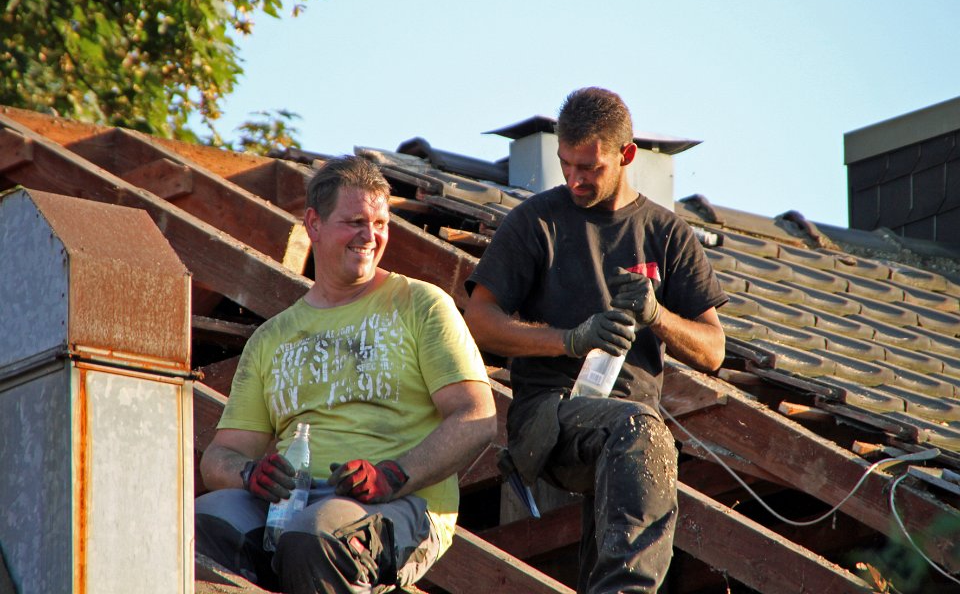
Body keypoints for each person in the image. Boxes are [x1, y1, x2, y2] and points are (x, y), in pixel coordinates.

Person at [463, 87, 727, 593]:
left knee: (641, 438)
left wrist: (657, 315)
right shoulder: (537, 221)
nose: (574, 179)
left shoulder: (668, 234)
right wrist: (570, 340)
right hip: (550, 417)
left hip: (628, 430)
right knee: (642, 431)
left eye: (589, 167)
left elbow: (713, 351)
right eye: (566, 164)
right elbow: (479, 320)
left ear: (627, 155)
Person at [196, 155, 497, 594]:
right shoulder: (271, 338)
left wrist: (392, 475)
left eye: (380, 223)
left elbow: (477, 417)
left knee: (314, 537)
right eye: (355, 221)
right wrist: (249, 474)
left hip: (402, 504)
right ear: (314, 224)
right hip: (287, 507)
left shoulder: (421, 305)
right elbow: (219, 457)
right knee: (197, 526)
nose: (370, 236)